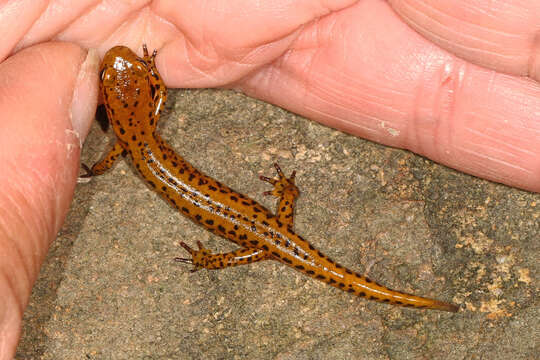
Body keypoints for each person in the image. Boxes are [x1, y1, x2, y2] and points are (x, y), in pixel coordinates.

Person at [1, 1, 539, 358]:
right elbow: (158, 95)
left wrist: (96, 169)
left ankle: (270, 224)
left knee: (268, 246)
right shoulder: (141, 121)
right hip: (266, 232)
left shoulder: (127, 142)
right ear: (121, 108)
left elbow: (146, 110)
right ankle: (286, 209)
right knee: (271, 242)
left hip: (265, 238)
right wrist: (148, 71)